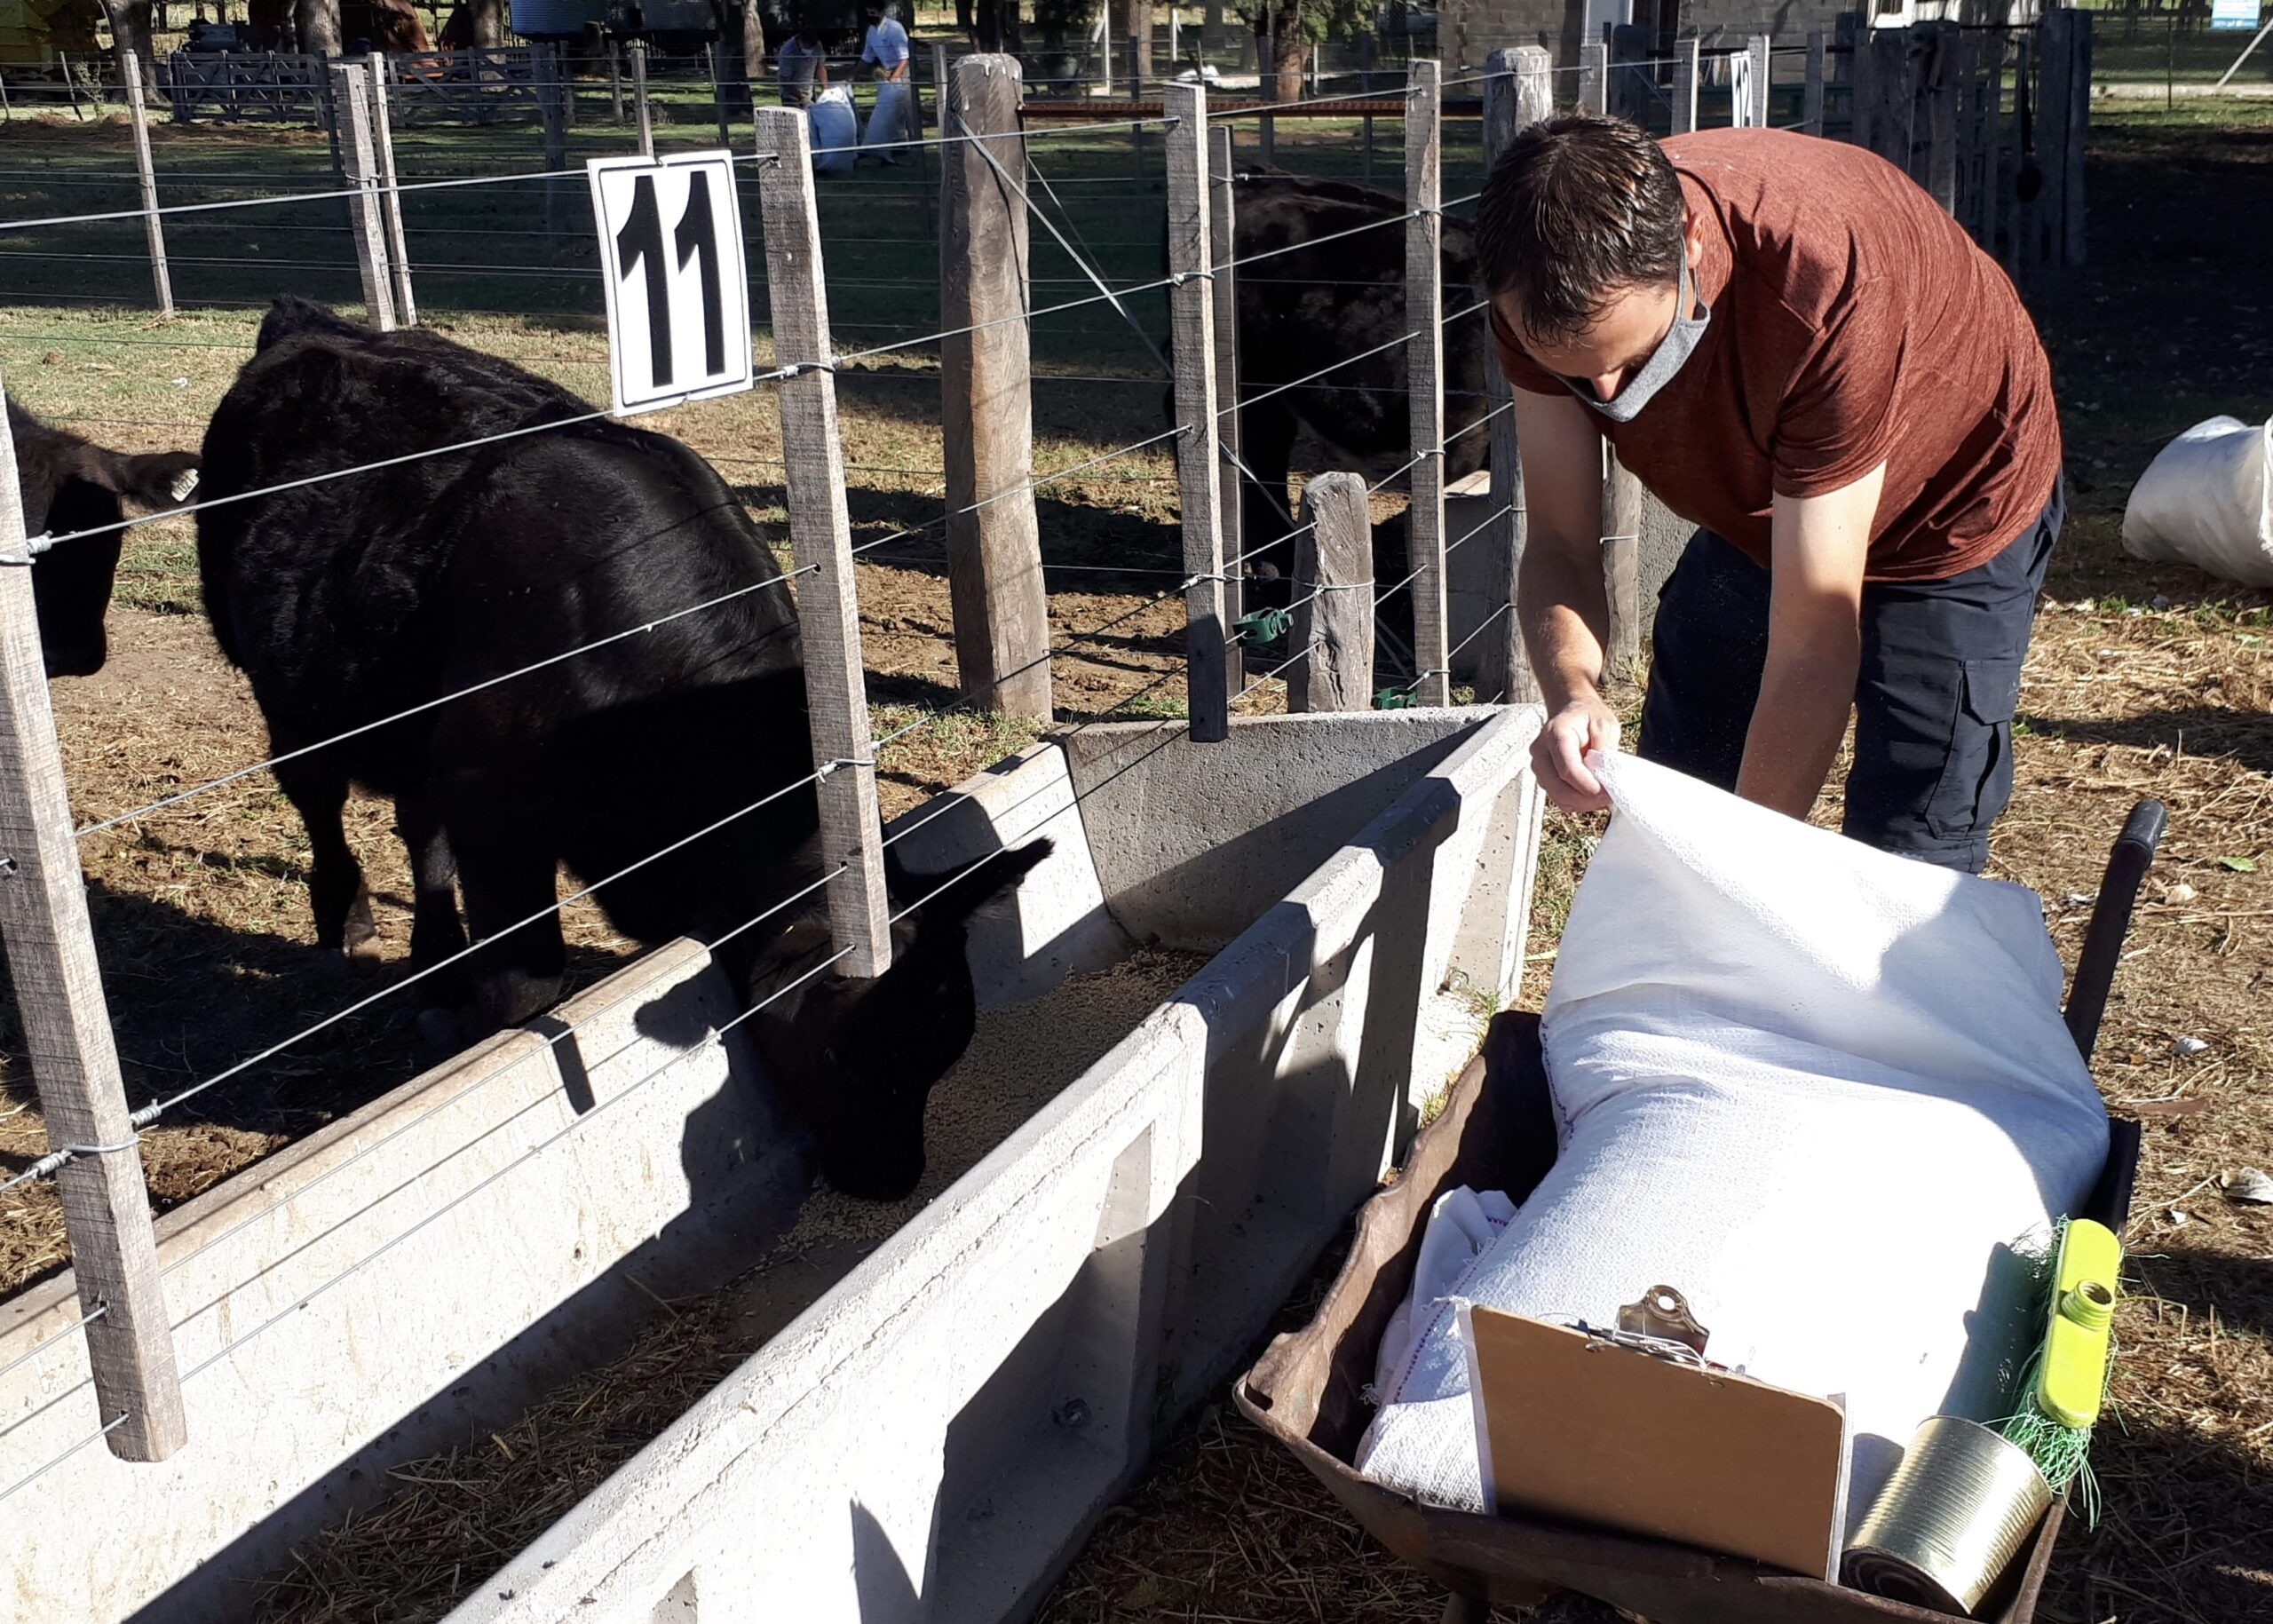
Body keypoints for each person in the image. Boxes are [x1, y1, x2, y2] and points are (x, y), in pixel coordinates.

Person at [1477, 116, 2063, 874]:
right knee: (1683, 787)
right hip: (1766, 501)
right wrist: (1574, 692)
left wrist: (1741, 872)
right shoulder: (1535, 286)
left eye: (1632, 356)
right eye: (1574, 375)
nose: (1610, 395)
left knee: (1909, 839)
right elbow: (1558, 539)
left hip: (1949, 508)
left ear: (1688, 245)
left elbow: (1815, 638)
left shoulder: (1822, 290)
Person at [856, 2, 912, 165]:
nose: (871, 16)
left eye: (873, 13)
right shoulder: (872, 31)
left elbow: (904, 57)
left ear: (881, 12)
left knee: (908, 112)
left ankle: (914, 149)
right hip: (885, 74)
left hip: (901, 73)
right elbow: (867, 57)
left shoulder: (894, 29)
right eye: (868, 13)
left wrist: (895, 78)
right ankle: (890, 146)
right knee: (887, 112)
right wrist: (854, 76)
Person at [776, 28, 828, 108]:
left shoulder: (817, 45)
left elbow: (820, 68)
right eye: (808, 46)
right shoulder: (788, 51)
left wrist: (825, 90)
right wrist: (802, 97)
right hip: (790, 95)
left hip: (809, 91)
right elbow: (785, 80)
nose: (810, 49)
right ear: (801, 40)